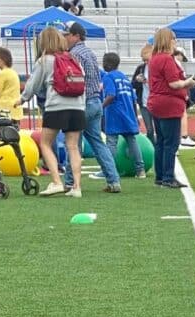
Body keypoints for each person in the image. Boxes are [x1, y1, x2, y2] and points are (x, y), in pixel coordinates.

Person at [21, 25, 85, 198]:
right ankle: (77, 187)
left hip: (56, 106)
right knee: (73, 146)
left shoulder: (45, 60)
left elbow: (33, 86)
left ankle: (57, 181)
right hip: (77, 106)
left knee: (45, 143)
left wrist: (21, 99)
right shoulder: (72, 59)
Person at [63, 22, 120, 193]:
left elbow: (74, 80)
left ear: (76, 36)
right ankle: (113, 180)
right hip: (95, 102)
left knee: (73, 144)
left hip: (82, 103)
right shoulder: (90, 53)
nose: (65, 38)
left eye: (67, 35)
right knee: (98, 143)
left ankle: (69, 182)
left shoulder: (74, 54)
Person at [147, 27, 195, 189]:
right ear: (168, 40)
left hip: (156, 102)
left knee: (161, 141)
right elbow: (174, 83)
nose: (175, 41)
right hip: (169, 103)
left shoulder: (154, 58)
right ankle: (168, 176)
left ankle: (160, 176)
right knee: (171, 143)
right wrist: (188, 83)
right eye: (173, 38)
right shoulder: (167, 59)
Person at [101, 52, 145, 179]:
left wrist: (101, 106)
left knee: (111, 142)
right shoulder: (124, 78)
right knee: (132, 141)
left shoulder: (108, 77)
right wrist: (135, 117)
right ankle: (140, 170)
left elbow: (111, 95)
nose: (103, 64)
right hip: (128, 114)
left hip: (114, 114)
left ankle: (110, 171)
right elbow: (133, 99)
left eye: (104, 62)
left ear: (108, 64)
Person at [0, 47, 23, 120]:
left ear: (4, 60)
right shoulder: (13, 72)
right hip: (15, 108)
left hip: (4, 109)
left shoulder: (2, 74)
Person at [132, 44, 154, 144]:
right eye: (144, 60)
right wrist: (137, 80)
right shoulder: (141, 68)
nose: (146, 62)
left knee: (159, 128)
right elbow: (132, 84)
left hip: (155, 102)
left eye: (147, 60)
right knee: (149, 129)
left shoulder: (157, 67)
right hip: (144, 102)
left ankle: (159, 147)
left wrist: (147, 81)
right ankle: (152, 147)